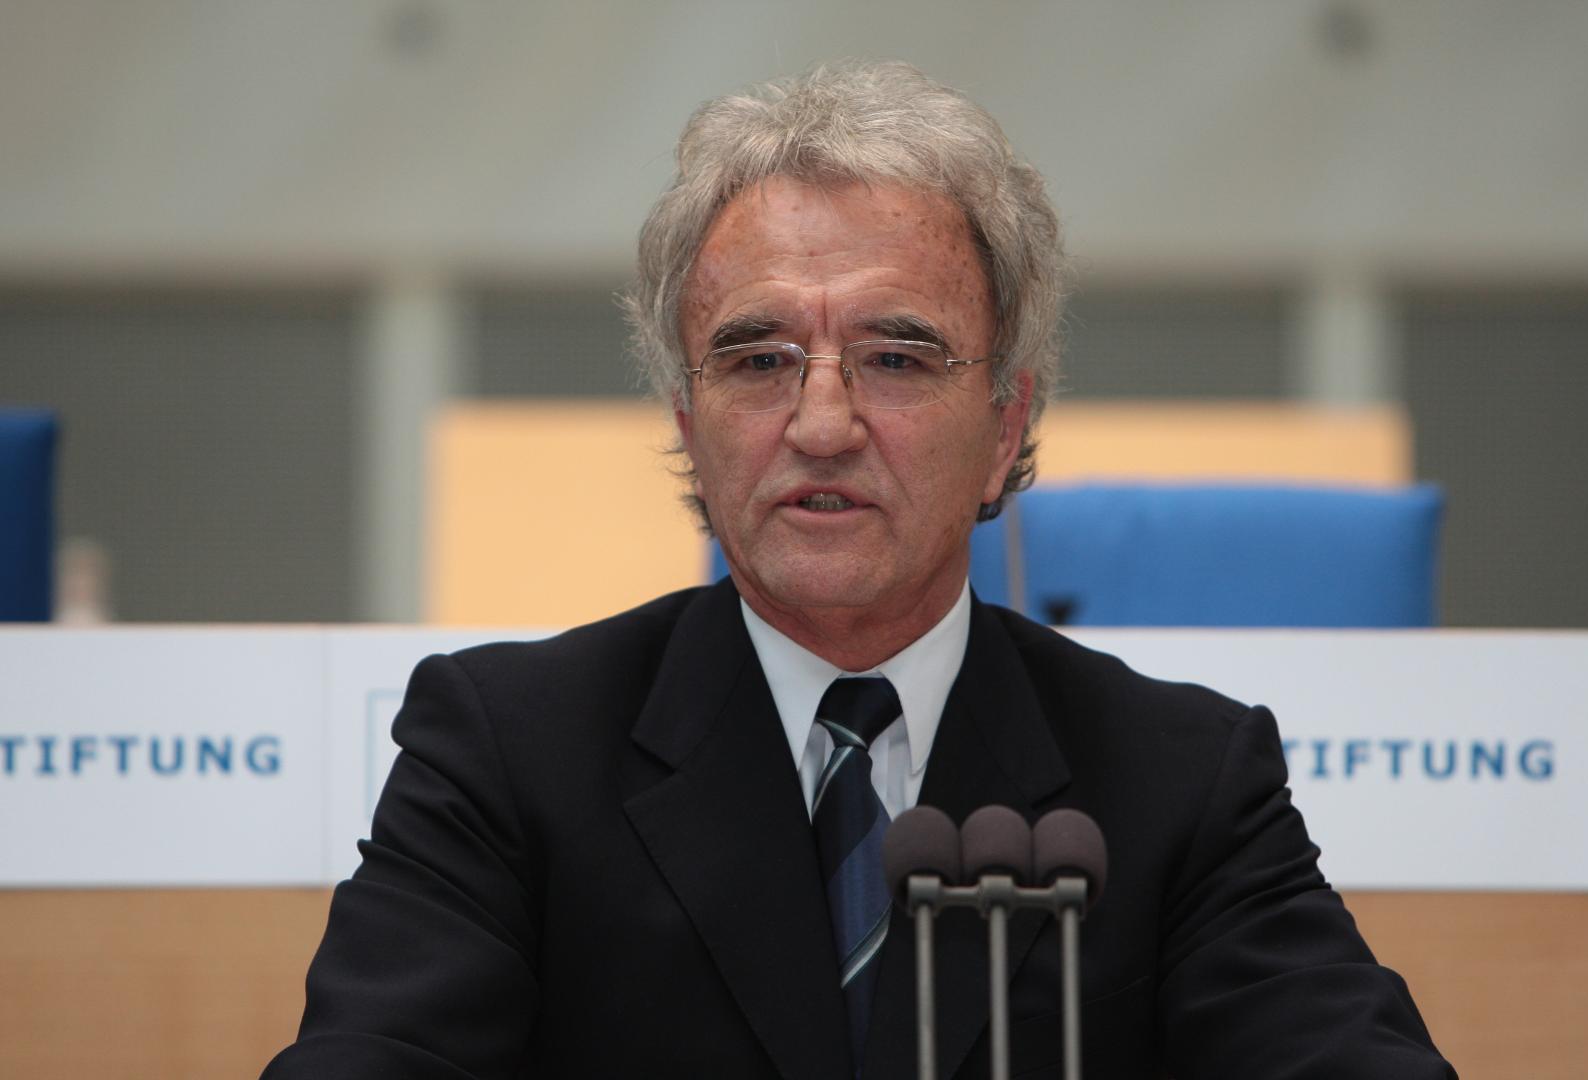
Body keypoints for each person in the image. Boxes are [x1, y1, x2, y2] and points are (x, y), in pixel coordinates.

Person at [263, 61, 1453, 1079]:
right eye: (758, 360)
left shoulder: (1178, 781)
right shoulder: (508, 754)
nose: (822, 424)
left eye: (896, 358)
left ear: (1005, 425)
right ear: (688, 423)